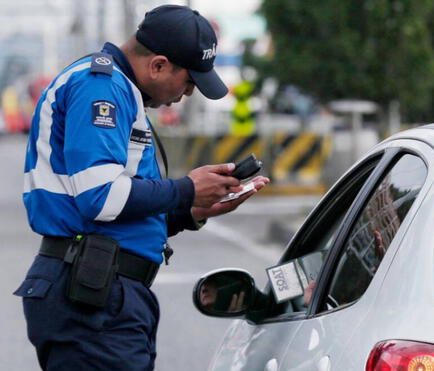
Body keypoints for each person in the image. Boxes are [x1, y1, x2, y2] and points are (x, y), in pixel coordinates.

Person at [13, 4, 269, 370]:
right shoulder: (99, 86)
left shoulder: (120, 90)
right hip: (92, 296)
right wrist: (185, 189)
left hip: (101, 291)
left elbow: (116, 212)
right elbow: (100, 198)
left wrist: (190, 211)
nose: (189, 93)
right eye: (189, 81)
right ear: (159, 65)